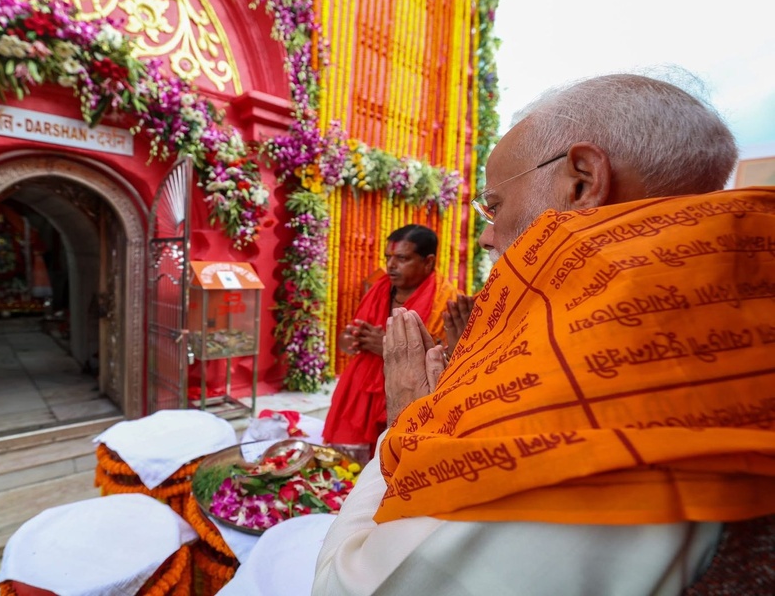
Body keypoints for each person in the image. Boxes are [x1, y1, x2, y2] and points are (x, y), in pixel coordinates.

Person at [313, 72, 775, 595]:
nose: (487, 234)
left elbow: (346, 587)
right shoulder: (741, 327)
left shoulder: (574, 402)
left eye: (495, 206)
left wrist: (406, 429)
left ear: (581, 181)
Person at [322, 224, 459, 463]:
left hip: (411, 397)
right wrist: (351, 339)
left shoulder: (448, 301)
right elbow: (348, 340)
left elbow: (447, 360)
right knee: (347, 468)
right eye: (388, 257)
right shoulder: (379, 289)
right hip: (362, 391)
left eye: (402, 258)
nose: (391, 265)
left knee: (394, 462)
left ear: (428, 262)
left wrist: (386, 347)